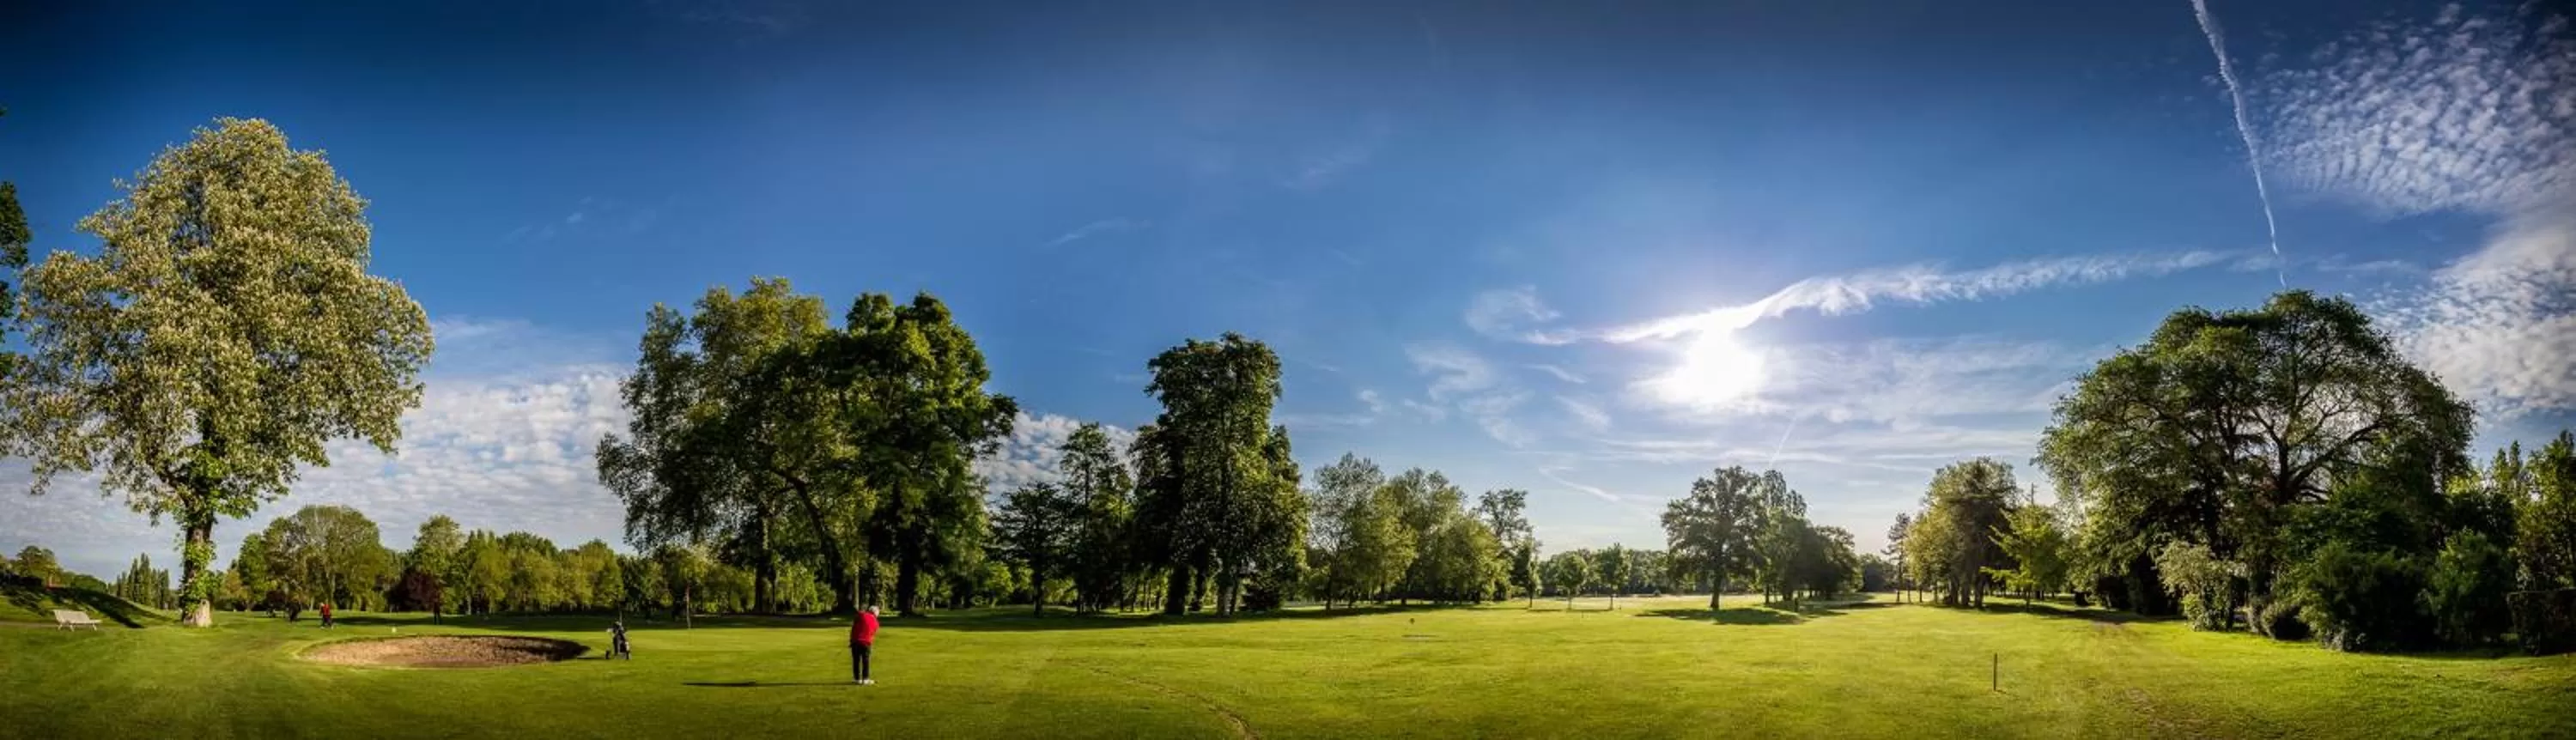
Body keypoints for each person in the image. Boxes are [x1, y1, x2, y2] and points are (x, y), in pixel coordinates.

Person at [850, 604, 880, 685]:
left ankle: (857, 679)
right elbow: (872, 633)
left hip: (855, 641)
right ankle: (865, 679)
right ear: (875, 613)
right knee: (865, 661)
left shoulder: (862, 615)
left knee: (856, 661)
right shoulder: (876, 623)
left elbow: (856, 620)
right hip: (866, 642)